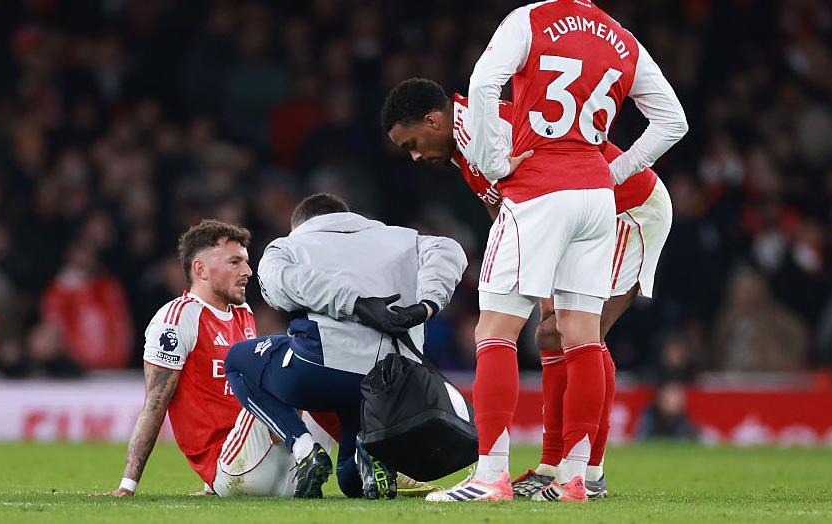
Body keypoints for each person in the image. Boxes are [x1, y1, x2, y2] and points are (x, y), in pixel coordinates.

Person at [419, 0, 687, 502]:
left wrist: (494, 159)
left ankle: (518, 474)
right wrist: (609, 173)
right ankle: (565, 475)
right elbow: (673, 120)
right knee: (566, 334)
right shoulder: (619, 36)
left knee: (505, 330)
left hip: (621, 204)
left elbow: (483, 82)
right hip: (595, 197)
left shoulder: (528, 24)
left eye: (411, 142)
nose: (414, 155)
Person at [223, 193, 467, 499]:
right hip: (393, 385)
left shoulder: (287, 245)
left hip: (323, 372)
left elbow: (280, 285)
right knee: (351, 483)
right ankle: (371, 454)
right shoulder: (406, 239)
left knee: (236, 360)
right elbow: (450, 249)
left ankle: (303, 448)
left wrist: (356, 303)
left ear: (301, 224)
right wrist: (427, 305)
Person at [95, 220, 297, 498]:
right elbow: (155, 404)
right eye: (235, 262)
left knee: (321, 372)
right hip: (234, 470)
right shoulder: (177, 319)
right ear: (200, 269)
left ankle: (352, 468)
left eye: (246, 262)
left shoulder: (244, 314)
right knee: (296, 371)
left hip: (275, 472)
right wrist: (127, 486)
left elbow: (231, 401)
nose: (248, 272)